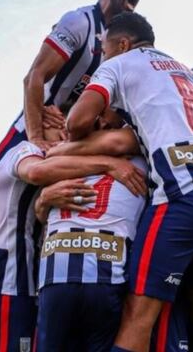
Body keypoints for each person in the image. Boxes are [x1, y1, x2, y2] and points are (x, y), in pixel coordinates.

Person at [0, 0, 143, 316]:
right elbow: (33, 78)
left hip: (75, 135)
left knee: (48, 214)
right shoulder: (79, 22)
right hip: (34, 126)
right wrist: (37, 135)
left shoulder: (121, 46)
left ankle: (45, 293)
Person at [66, 12, 193, 352]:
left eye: (104, 49)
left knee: (138, 313)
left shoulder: (119, 64)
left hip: (182, 196)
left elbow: (77, 121)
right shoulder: (188, 73)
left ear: (123, 43)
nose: (102, 56)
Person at [34, 145, 147, 350]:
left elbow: (43, 166)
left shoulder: (62, 162)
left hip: (58, 275)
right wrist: (42, 201)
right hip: (101, 275)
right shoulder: (139, 159)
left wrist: (42, 201)